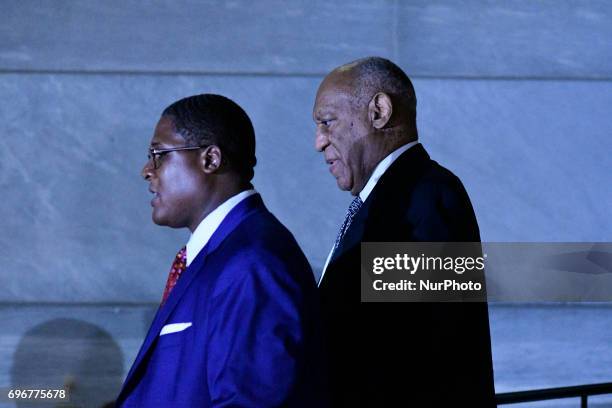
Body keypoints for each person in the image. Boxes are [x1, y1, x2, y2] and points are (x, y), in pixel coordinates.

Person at [116, 94, 326, 407]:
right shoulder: (223, 254)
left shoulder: (252, 262)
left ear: (211, 159)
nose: (147, 169)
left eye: (159, 154)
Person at [313, 57, 495, 407]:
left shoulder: (428, 196)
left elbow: (431, 350)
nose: (319, 142)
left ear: (379, 111)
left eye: (327, 122)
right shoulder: (388, 197)